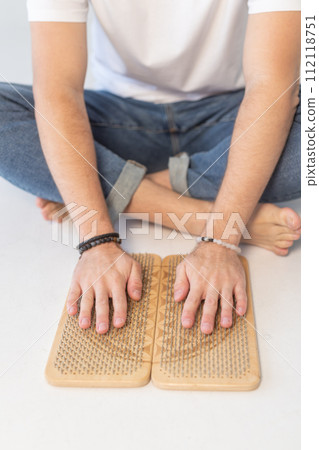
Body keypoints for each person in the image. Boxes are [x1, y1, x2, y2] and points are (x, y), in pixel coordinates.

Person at [0, 0, 301, 336]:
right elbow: (59, 92)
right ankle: (209, 211)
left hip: (233, 116)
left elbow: (273, 88)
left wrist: (221, 244)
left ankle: (114, 187)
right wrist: (97, 241)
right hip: (119, 119)